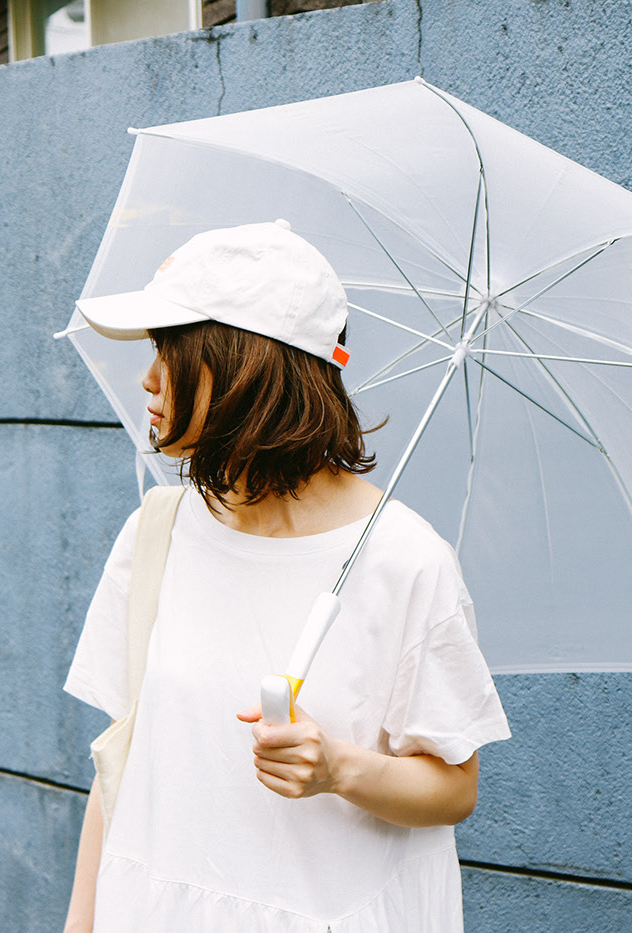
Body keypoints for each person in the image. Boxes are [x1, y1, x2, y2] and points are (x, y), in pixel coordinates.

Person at [62, 220, 510, 932]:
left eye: (171, 353)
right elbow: (121, 764)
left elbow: (455, 788)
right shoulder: (158, 531)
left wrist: (339, 769)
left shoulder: (402, 559)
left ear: (246, 367)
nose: (148, 379)